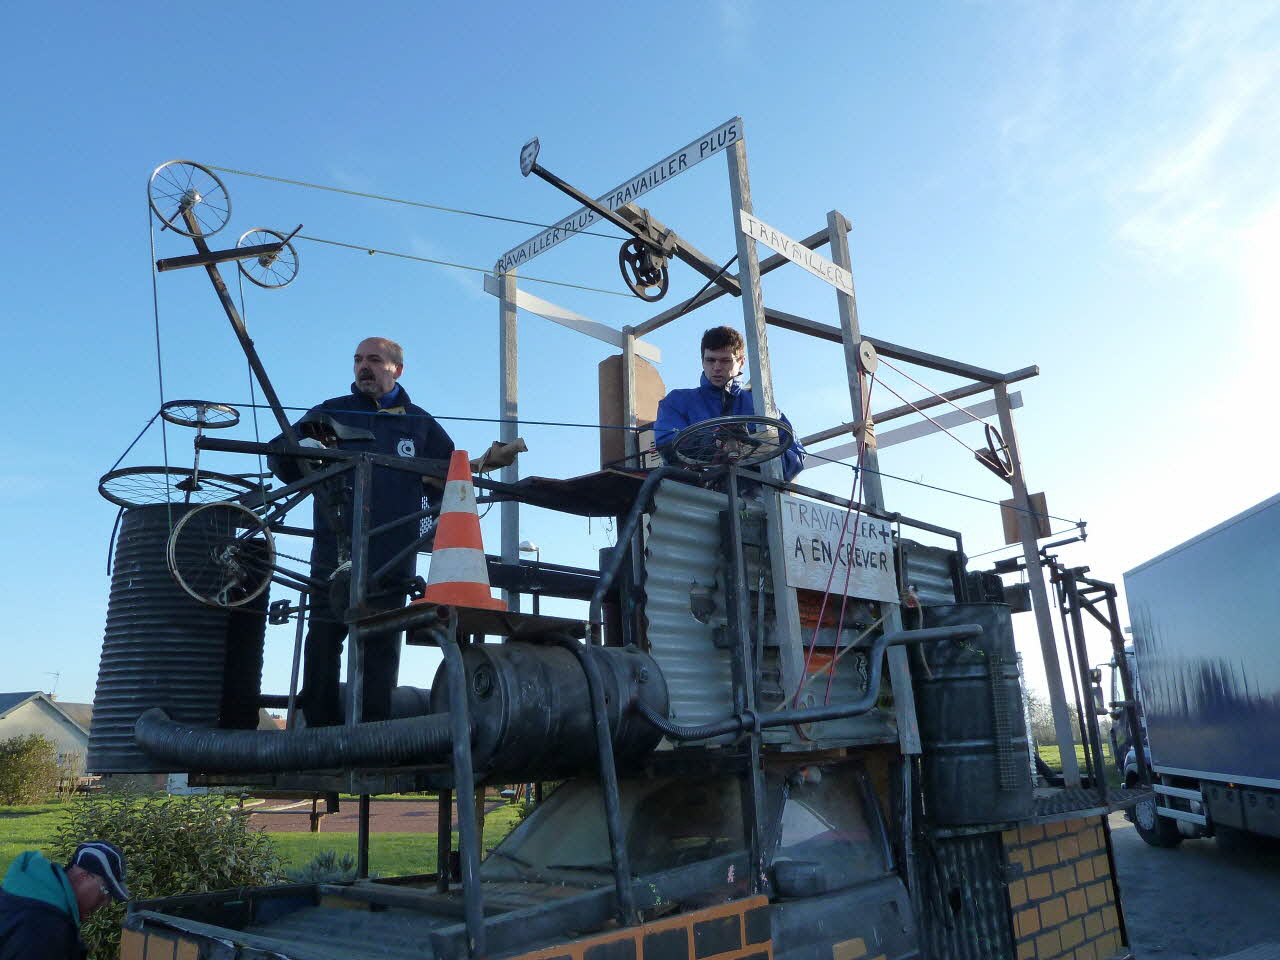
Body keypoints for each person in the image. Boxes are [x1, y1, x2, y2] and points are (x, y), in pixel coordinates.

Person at [269, 337, 455, 725]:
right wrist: (297, 451)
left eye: (374, 359)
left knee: (382, 644)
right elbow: (281, 457)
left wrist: (437, 528)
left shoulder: (420, 423)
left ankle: (373, 735)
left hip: (394, 552)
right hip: (334, 547)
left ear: (397, 369)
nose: (363, 367)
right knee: (323, 637)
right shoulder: (330, 411)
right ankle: (319, 733)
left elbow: (450, 477)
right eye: (357, 360)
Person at [654, 326, 806, 481]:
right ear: (702, 361)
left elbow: (796, 457)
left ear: (741, 362)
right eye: (710, 360)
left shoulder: (764, 407)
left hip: (756, 496)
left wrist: (752, 449)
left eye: (725, 361)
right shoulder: (677, 401)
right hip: (697, 495)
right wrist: (714, 444)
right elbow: (667, 444)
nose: (717, 367)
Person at [0, 841, 129, 960]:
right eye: (105, 892)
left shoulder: (28, 893)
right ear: (83, 877)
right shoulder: (45, 928)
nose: (105, 904)